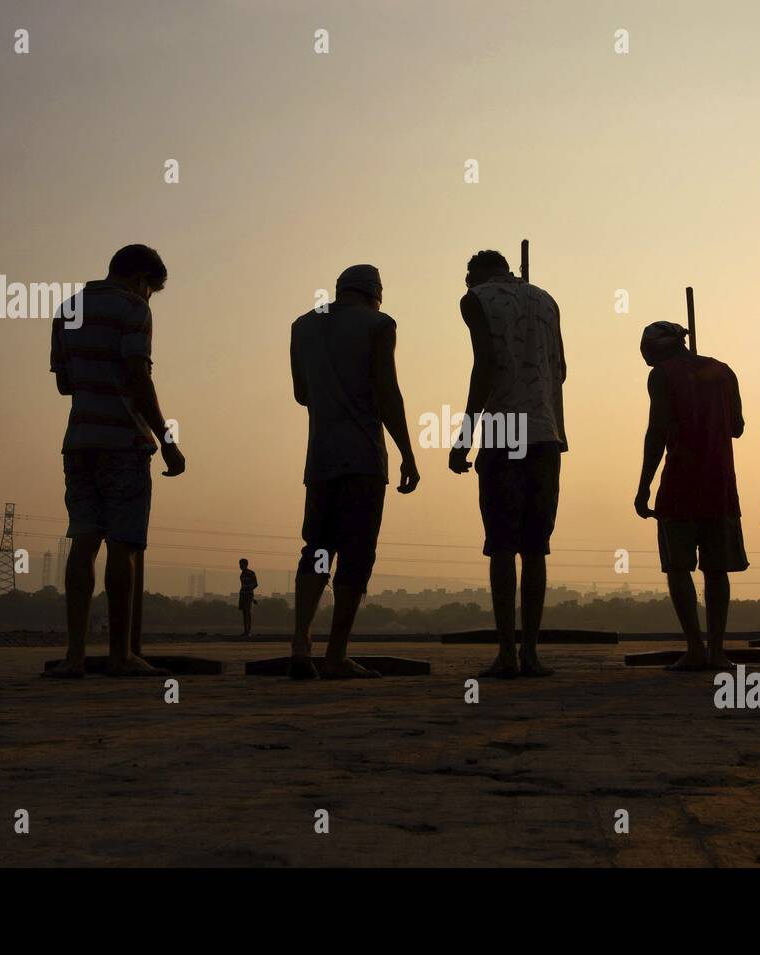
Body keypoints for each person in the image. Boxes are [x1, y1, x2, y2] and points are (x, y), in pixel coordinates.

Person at [44, 244, 186, 678]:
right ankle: (122, 654)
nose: (149, 297)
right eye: (150, 289)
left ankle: (74, 656)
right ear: (141, 278)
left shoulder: (68, 308)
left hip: (79, 441)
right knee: (123, 547)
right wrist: (167, 439)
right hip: (124, 441)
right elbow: (138, 375)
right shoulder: (133, 309)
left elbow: (65, 384)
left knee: (84, 543)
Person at [289, 264, 419, 680]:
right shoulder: (379, 325)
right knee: (357, 552)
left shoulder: (302, 325)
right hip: (363, 458)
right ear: (375, 294)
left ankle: (299, 645)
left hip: (321, 458)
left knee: (318, 548)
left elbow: (301, 393)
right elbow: (387, 392)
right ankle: (336, 654)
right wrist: (407, 453)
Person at [449, 250, 566, 679]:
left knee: (501, 545)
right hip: (545, 432)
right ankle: (531, 653)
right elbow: (560, 370)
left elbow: (487, 364)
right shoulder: (546, 300)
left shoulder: (475, 299)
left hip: (503, 431)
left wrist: (465, 436)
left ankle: (506, 654)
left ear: (474, 276)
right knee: (535, 548)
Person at [634, 322, 746, 671]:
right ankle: (716, 652)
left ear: (656, 349)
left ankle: (696, 648)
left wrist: (643, 485)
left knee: (679, 566)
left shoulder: (662, 376)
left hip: (680, 481)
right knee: (716, 570)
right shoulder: (724, 372)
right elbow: (738, 427)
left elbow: (657, 430)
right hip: (720, 482)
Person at [238, 558, 259, 637]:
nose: (240, 566)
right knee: (244, 613)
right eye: (240, 564)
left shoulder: (251, 573)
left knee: (247, 613)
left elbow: (255, 584)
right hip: (242, 595)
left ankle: (248, 632)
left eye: (242, 564)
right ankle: (245, 631)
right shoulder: (242, 575)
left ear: (246, 564)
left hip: (248, 595)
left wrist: (250, 595)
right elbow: (243, 586)